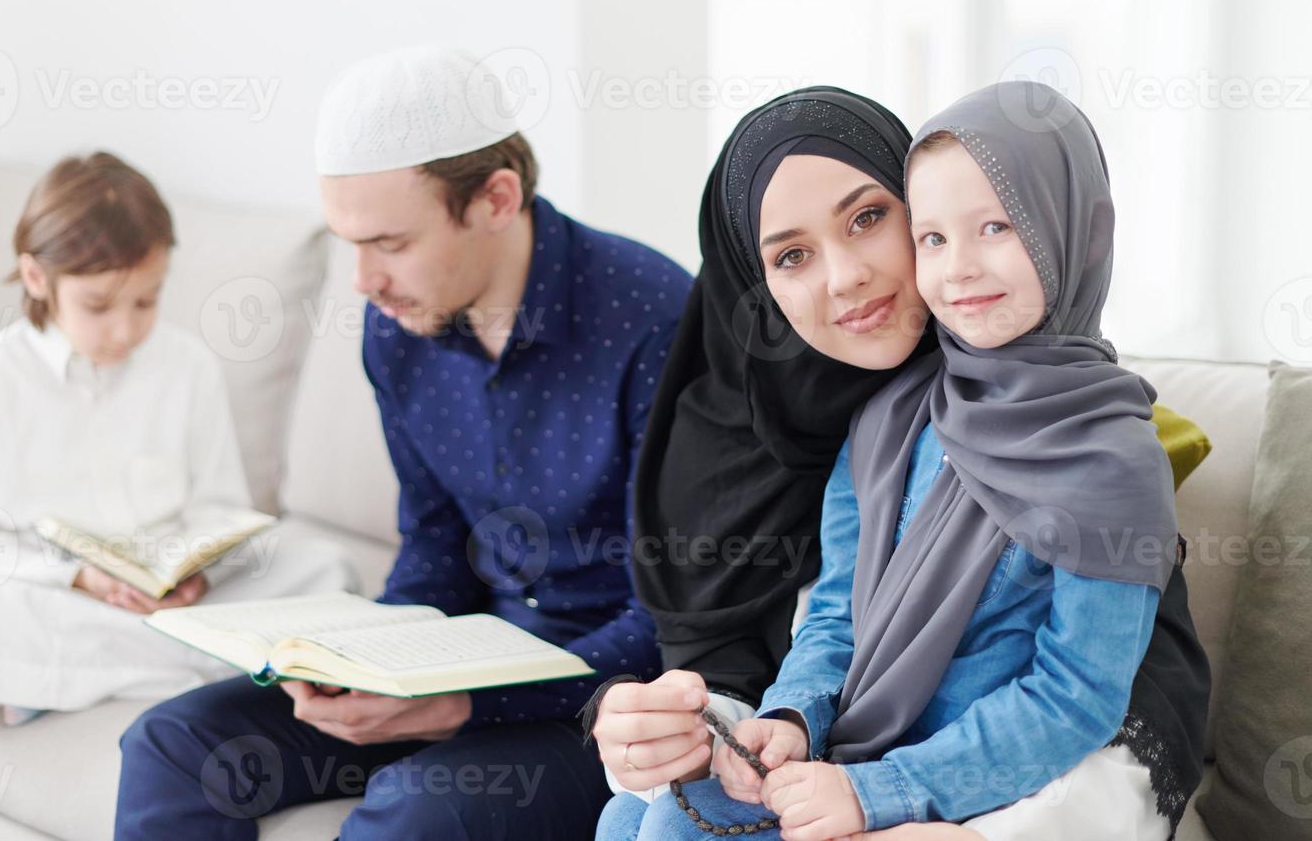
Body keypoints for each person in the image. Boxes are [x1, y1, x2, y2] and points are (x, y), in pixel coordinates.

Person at [590, 85, 1210, 840]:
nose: (846, 275)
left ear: (1070, 231)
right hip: (844, 761)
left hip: (973, 796)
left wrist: (902, 797)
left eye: (871, 217)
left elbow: (1089, 698)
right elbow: (831, 622)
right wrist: (785, 716)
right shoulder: (884, 420)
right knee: (638, 816)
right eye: (791, 254)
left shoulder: (1104, 445)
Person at [113, 45, 693, 840]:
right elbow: (434, 540)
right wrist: (364, 665)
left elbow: (677, 619)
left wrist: (468, 703)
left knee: (417, 810)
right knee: (173, 742)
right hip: (468, 661)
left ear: (496, 199)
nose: (362, 281)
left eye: (389, 244)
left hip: (607, 704)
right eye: (348, 244)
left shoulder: (656, 322)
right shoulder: (398, 331)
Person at [0, 151, 354, 726]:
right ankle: (224, 665)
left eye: (146, 301)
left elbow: (220, 509)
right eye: (98, 306)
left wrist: (199, 574)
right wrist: (79, 578)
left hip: (180, 599)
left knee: (326, 565)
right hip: (69, 603)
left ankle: (85, 678)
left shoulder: (187, 365)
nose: (125, 329)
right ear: (36, 278)